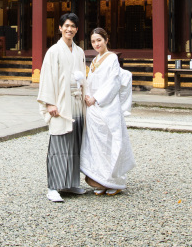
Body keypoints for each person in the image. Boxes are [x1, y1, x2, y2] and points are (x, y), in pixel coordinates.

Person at [37, 13, 88, 203]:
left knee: (75, 143)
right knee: (59, 145)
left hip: (76, 102)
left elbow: (83, 77)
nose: (70, 29)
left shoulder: (80, 52)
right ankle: (53, 187)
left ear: (76, 29)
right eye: (66, 26)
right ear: (60, 28)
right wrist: (50, 102)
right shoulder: (53, 51)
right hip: (60, 102)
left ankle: (71, 182)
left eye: (73, 26)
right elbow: (47, 77)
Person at [80, 27, 135, 196]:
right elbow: (90, 81)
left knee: (109, 143)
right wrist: (87, 95)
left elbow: (112, 83)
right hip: (93, 107)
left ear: (106, 40)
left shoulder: (111, 59)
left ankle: (115, 181)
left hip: (107, 106)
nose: (96, 44)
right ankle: (101, 180)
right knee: (96, 146)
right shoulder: (95, 60)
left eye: (99, 40)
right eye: (93, 41)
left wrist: (96, 98)